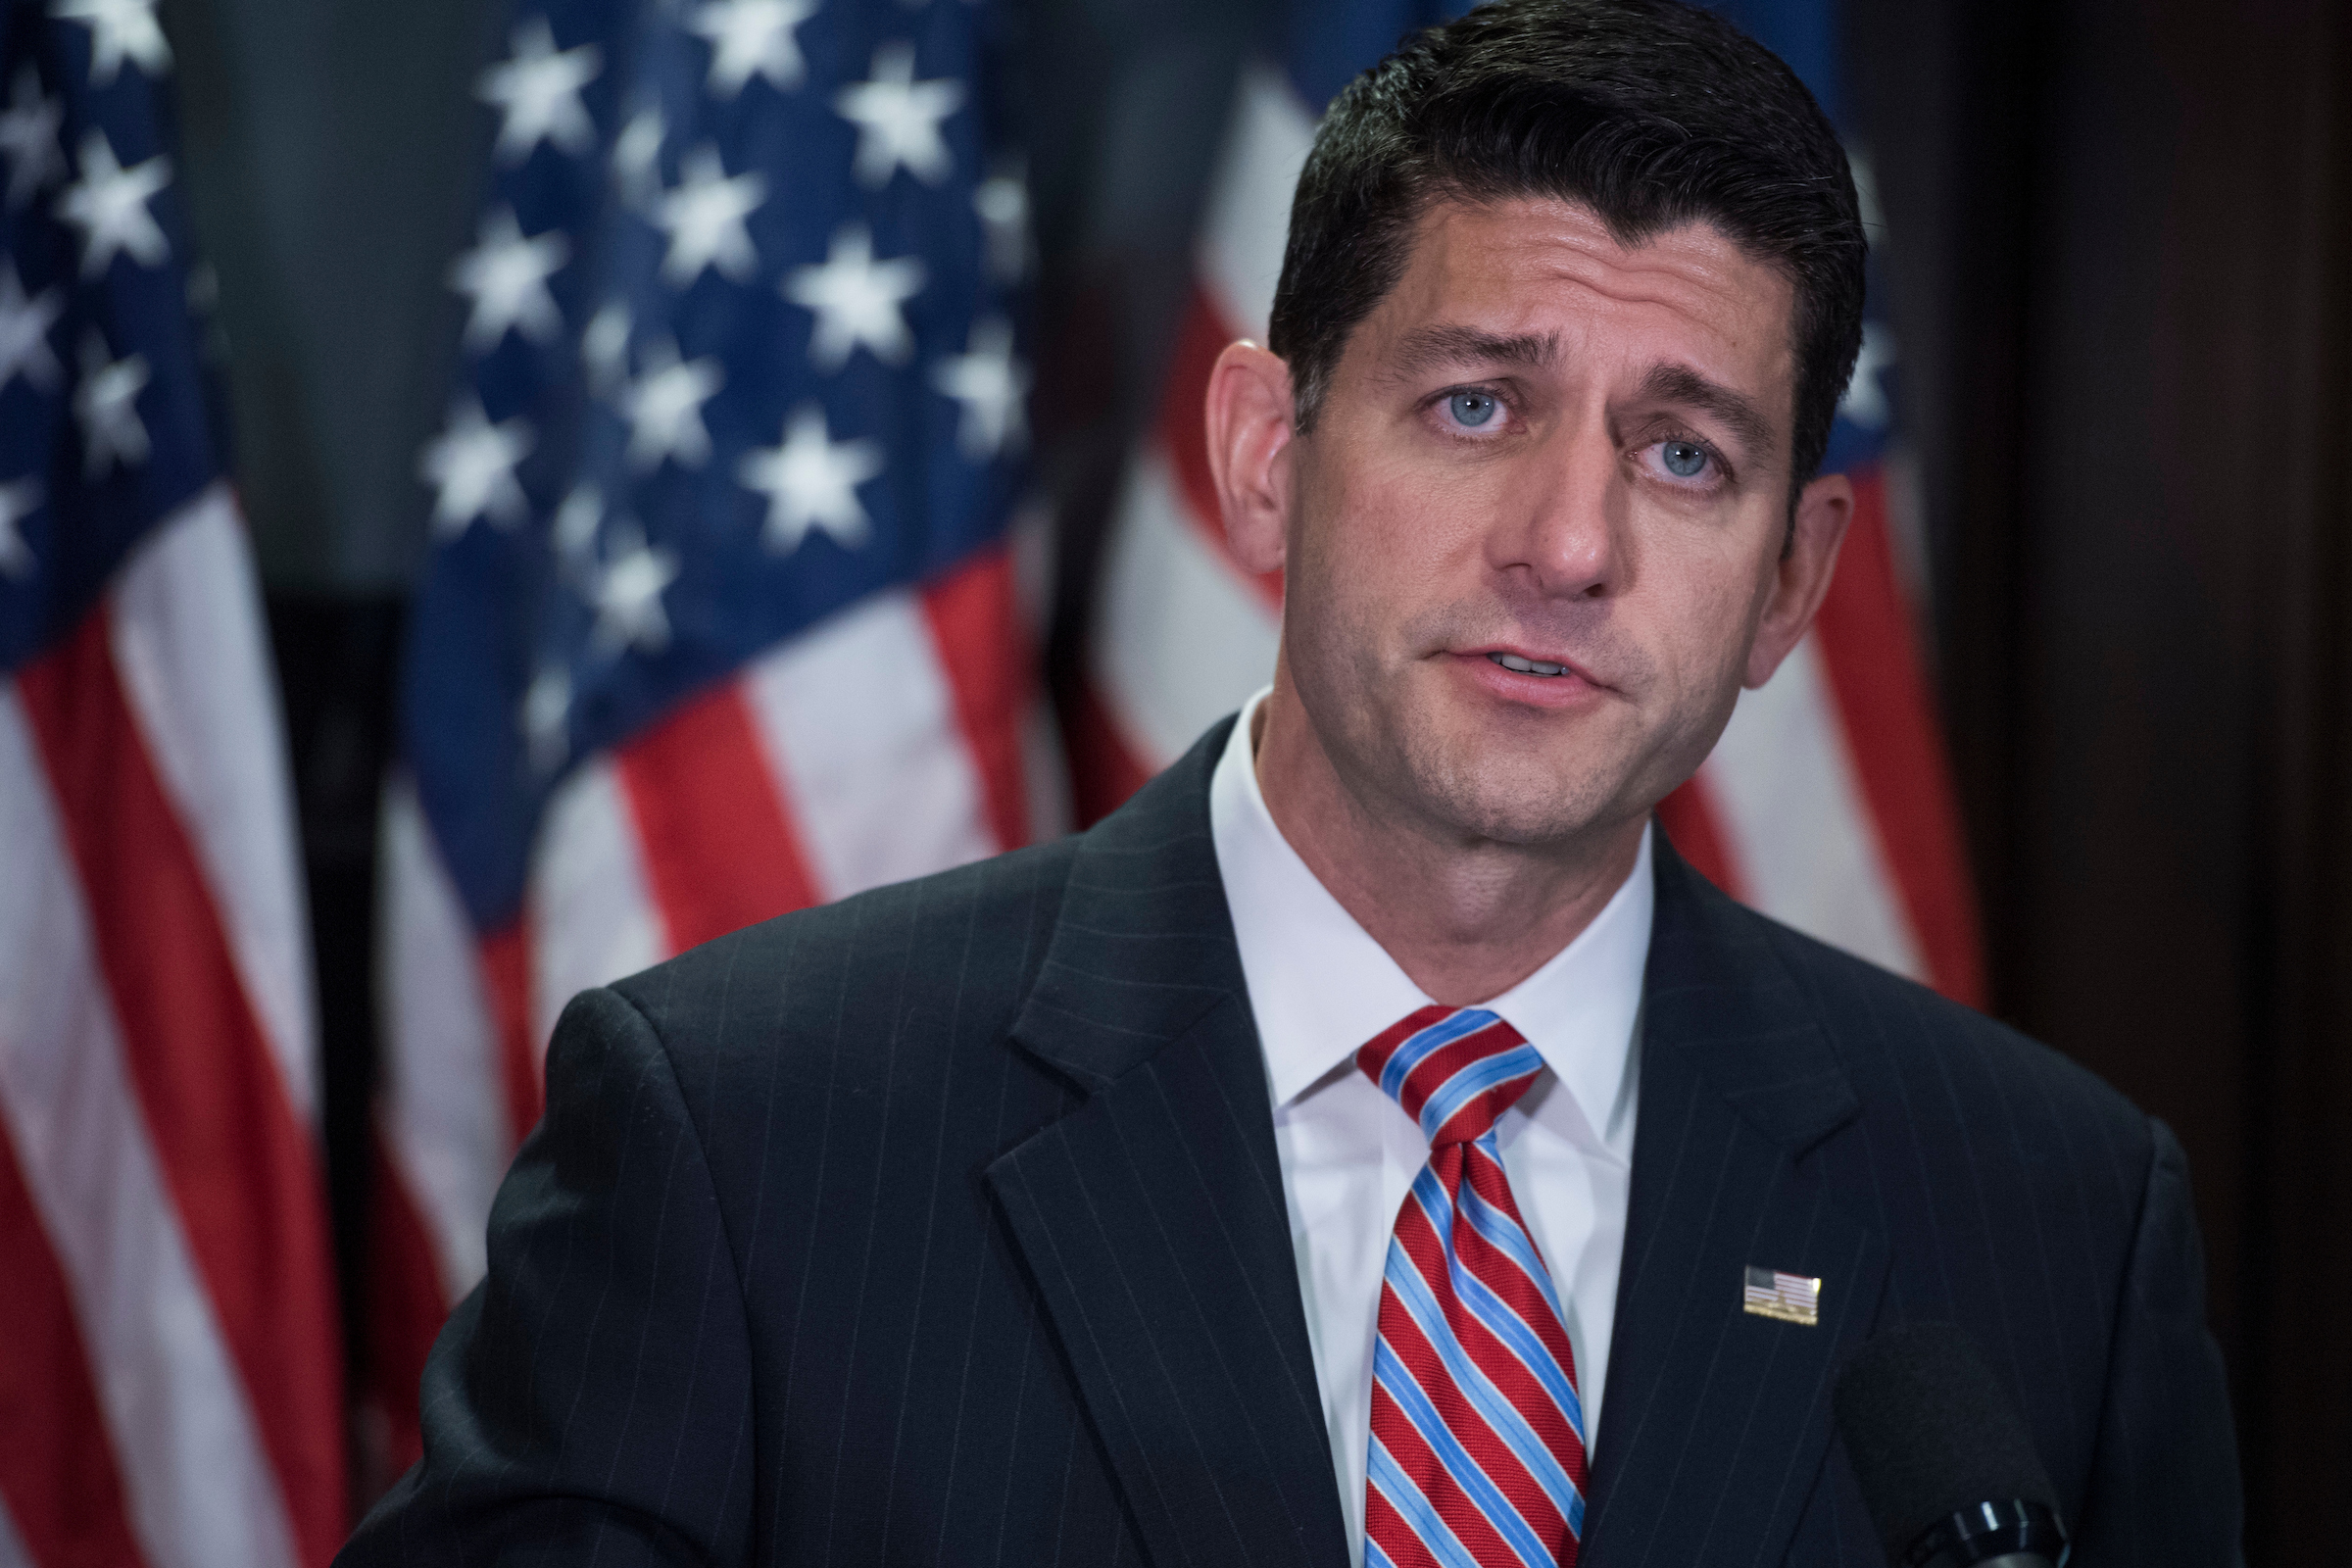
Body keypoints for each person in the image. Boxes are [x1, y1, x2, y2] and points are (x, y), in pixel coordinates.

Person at [339, 1, 2241, 1562]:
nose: (1569, 541)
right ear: (1262, 453)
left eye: (1683, 456)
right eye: (1475, 402)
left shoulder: (2052, 1221)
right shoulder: (745, 1136)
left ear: (1794, 577)